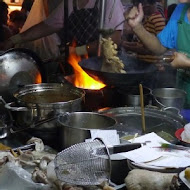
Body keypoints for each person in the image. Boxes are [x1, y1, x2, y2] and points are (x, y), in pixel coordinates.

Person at [4, 0, 125, 57]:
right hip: (77, 66)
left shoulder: (109, 2)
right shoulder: (70, 3)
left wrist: (77, 51)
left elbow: (114, 39)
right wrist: (14, 40)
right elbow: (47, 26)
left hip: (104, 66)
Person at [126, 0, 190, 107]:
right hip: (184, 100)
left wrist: (187, 63)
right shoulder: (180, 11)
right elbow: (160, 47)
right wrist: (137, 26)